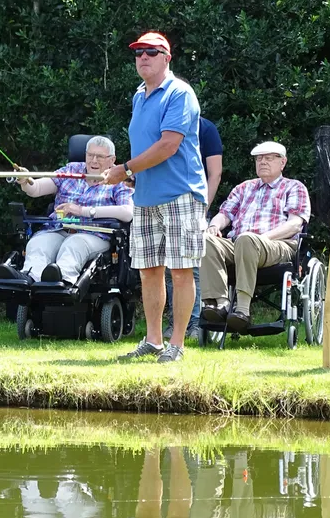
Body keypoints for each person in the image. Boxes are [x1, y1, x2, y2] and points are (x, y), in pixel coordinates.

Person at [106, 31, 207, 363]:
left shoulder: (180, 93)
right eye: (138, 53)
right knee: (149, 271)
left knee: (180, 271)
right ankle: (153, 341)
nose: (143, 57)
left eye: (151, 52)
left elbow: (168, 146)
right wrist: (132, 174)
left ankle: (177, 344)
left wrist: (126, 169)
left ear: (167, 58)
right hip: (146, 197)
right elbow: (145, 145)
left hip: (181, 194)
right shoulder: (139, 96)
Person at [200, 141, 311, 332]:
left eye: (269, 158)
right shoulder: (244, 188)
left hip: (278, 244)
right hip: (240, 244)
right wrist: (213, 226)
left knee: (247, 239)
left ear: (282, 162)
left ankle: (242, 309)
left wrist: (262, 238)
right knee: (206, 240)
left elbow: (295, 224)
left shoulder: (294, 187)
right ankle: (219, 303)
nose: (263, 162)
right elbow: (224, 214)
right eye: (259, 159)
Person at [0, 135, 134, 286]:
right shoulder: (72, 169)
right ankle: (28, 278)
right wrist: (26, 180)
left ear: (112, 160)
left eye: (100, 157)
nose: (93, 161)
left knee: (74, 244)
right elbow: (36, 189)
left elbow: (127, 212)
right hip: (59, 229)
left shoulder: (118, 178)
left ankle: (61, 281)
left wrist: (82, 210)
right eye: (90, 155)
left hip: (93, 234)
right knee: (39, 243)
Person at [163, 116, 224, 340]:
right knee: (169, 268)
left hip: (194, 205)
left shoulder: (205, 128)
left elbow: (215, 174)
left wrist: (202, 208)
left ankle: (196, 324)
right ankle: (176, 323)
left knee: (193, 266)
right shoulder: (161, 124)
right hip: (164, 204)